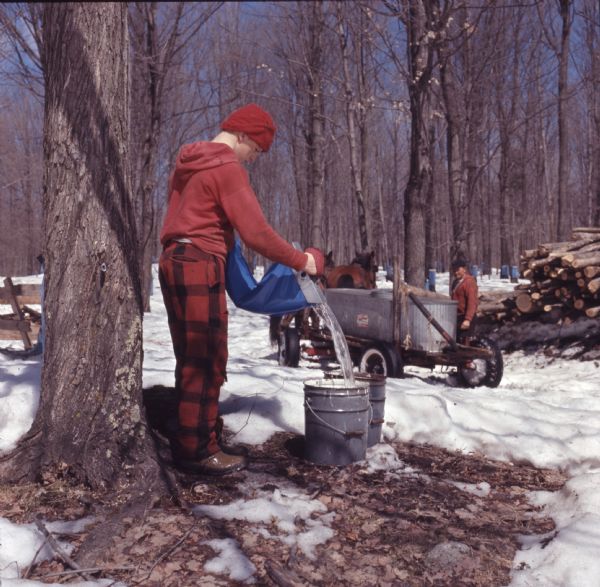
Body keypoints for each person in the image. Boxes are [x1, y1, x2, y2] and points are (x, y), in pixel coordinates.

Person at [159, 103, 322, 476]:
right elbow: (256, 233)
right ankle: (198, 451)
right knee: (208, 357)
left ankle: (191, 432)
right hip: (200, 262)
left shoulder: (188, 163)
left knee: (190, 355)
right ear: (245, 135)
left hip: (173, 260)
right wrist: (303, 261)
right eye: (257, 150)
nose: (254, 158)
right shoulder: (226, 168)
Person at [450, 257, 478, 345]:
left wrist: (467, 319)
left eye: (458, 270)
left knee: (465, 344)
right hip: (457, 317)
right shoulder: (455, 282)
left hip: (465, 317)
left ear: (464, 269)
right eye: (454, 270)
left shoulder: (469, 282)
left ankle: (467, 359)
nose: (455, 272)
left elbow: (472, 302)